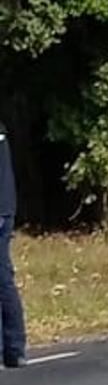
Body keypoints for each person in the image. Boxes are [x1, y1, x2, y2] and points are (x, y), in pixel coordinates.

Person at [0, 123, 21, 368]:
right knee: (4, 280)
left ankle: (12, 347)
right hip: (6, 209)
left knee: (3, 280)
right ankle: (14, 349)